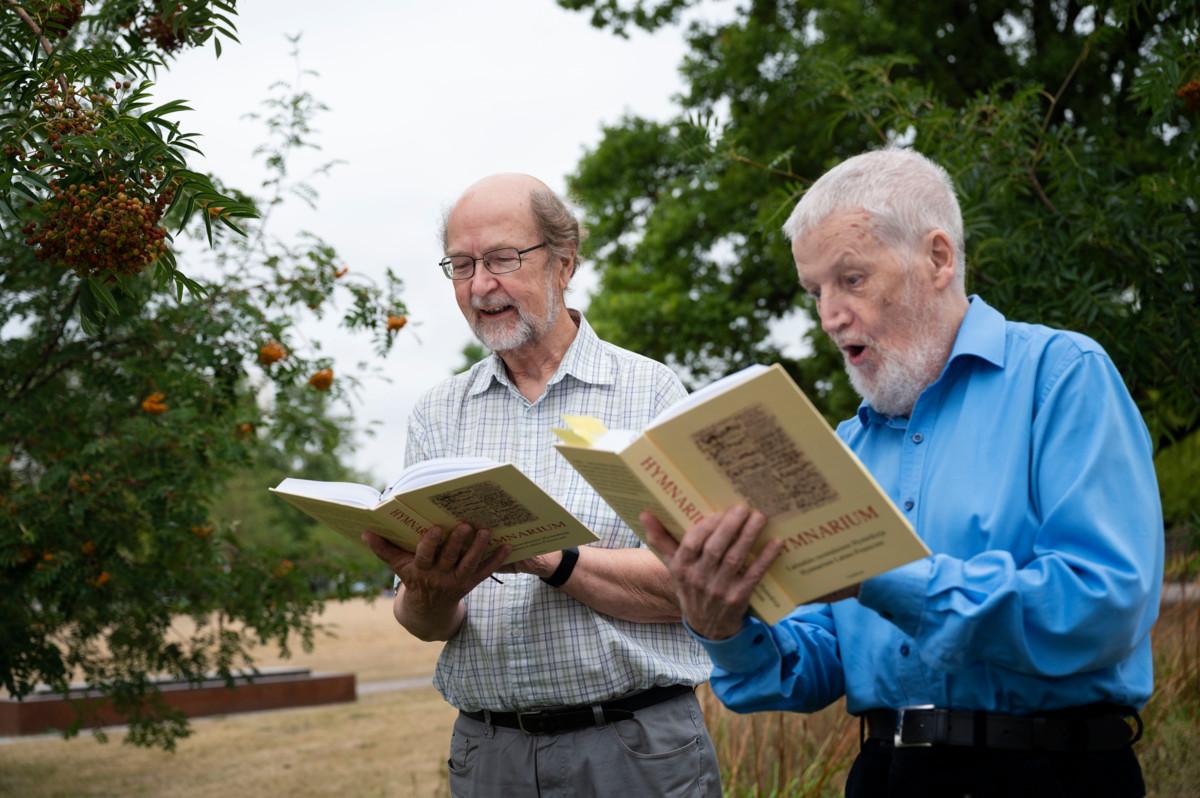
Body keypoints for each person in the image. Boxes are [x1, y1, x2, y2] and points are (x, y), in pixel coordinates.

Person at [640, 149, 1163, 798]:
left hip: (1050, 772)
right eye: (815, 292)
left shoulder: (1060, 377)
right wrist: (719, 624)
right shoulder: (845, 445)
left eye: (851, 279)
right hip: (887, 774)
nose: (829, 315)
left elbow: (1103, 607)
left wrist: (880, 576)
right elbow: (811, 664)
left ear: (938, 258)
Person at [364, 173, 722, 797]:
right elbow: (424, 623)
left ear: (564, 263)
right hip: (487, 754)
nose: (480, 285)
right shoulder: (438, 414)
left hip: (636, 749)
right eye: (462, 265)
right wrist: (430, 589)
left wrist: (549, 558)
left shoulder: (650, 392)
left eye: (502, 258)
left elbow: (698, 585)